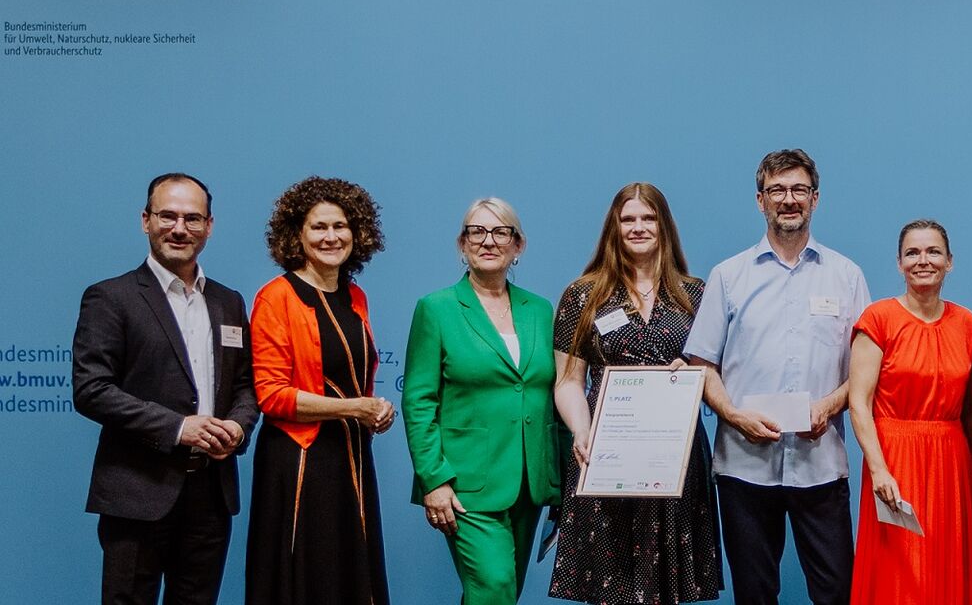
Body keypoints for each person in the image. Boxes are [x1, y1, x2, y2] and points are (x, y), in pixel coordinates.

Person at [686, 148, 870, 605]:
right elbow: (701, 365)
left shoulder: (846, 277)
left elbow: (867, 371)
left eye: (798, 190)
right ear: (760, 200)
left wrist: (829, 406)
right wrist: (732, 414)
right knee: (755, 594)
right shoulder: (728, 276)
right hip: (744, 466)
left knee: (836, 593)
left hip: (820, 465)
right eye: (777, 190)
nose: (789, 199)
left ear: (815, 198)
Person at [72, 173, 260, 605]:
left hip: (212, 495)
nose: (179, 228)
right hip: (137, 492)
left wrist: (237, 425)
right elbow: (91, 388)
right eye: (168, 216)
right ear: (146, 220)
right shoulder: (110, 297)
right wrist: (179, 428)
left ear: (209, 226)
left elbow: (246, 385)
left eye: (192, 218)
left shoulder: (228, 301)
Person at [550, 182, 723, 604]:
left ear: (664, 226)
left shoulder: (696, 295)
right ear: (614, 226)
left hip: (675, 455)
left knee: (668, 588)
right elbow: (569, 381)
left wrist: (694, 373)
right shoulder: (583, 294)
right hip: (604, 449)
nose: (638, 227)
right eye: (628, 219)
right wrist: (581, 430)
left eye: (648, 218)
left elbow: (715, 375)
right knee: (611, 584)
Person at [402, 198, 561, 604]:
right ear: (463, 243)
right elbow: (418, 401)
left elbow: (556, 394)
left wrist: (560, 482)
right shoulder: (436, 309)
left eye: (500, 232)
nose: (488, 241)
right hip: (464, 484)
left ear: (518, 245)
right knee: (494, 586)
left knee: (501, 594)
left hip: (530, 481)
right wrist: (433, 479)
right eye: (477, 231)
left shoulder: (541, 310)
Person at [246, 176, 393, 605]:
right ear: (297, 234)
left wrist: (375, 412)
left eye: (340, 226)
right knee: (309, 578)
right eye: (318, 227)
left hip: (351, 455)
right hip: (299, 460)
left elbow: (353, 375)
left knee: (351, 574)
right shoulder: (277, 297)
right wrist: (355, 408)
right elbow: (272, 396)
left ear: (357, 232)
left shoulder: (355, 296)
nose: (331, 236)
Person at [847, 220, 972, 605]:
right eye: (913, 253)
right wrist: (878, 469)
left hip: (951, 465)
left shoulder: (968, 324)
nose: (923, 261)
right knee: (900, 579)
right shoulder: (878, 319)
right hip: (895, 462)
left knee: (948, 572)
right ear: (899, 263)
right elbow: (859, 402)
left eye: (933, 252)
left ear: (949, 262)